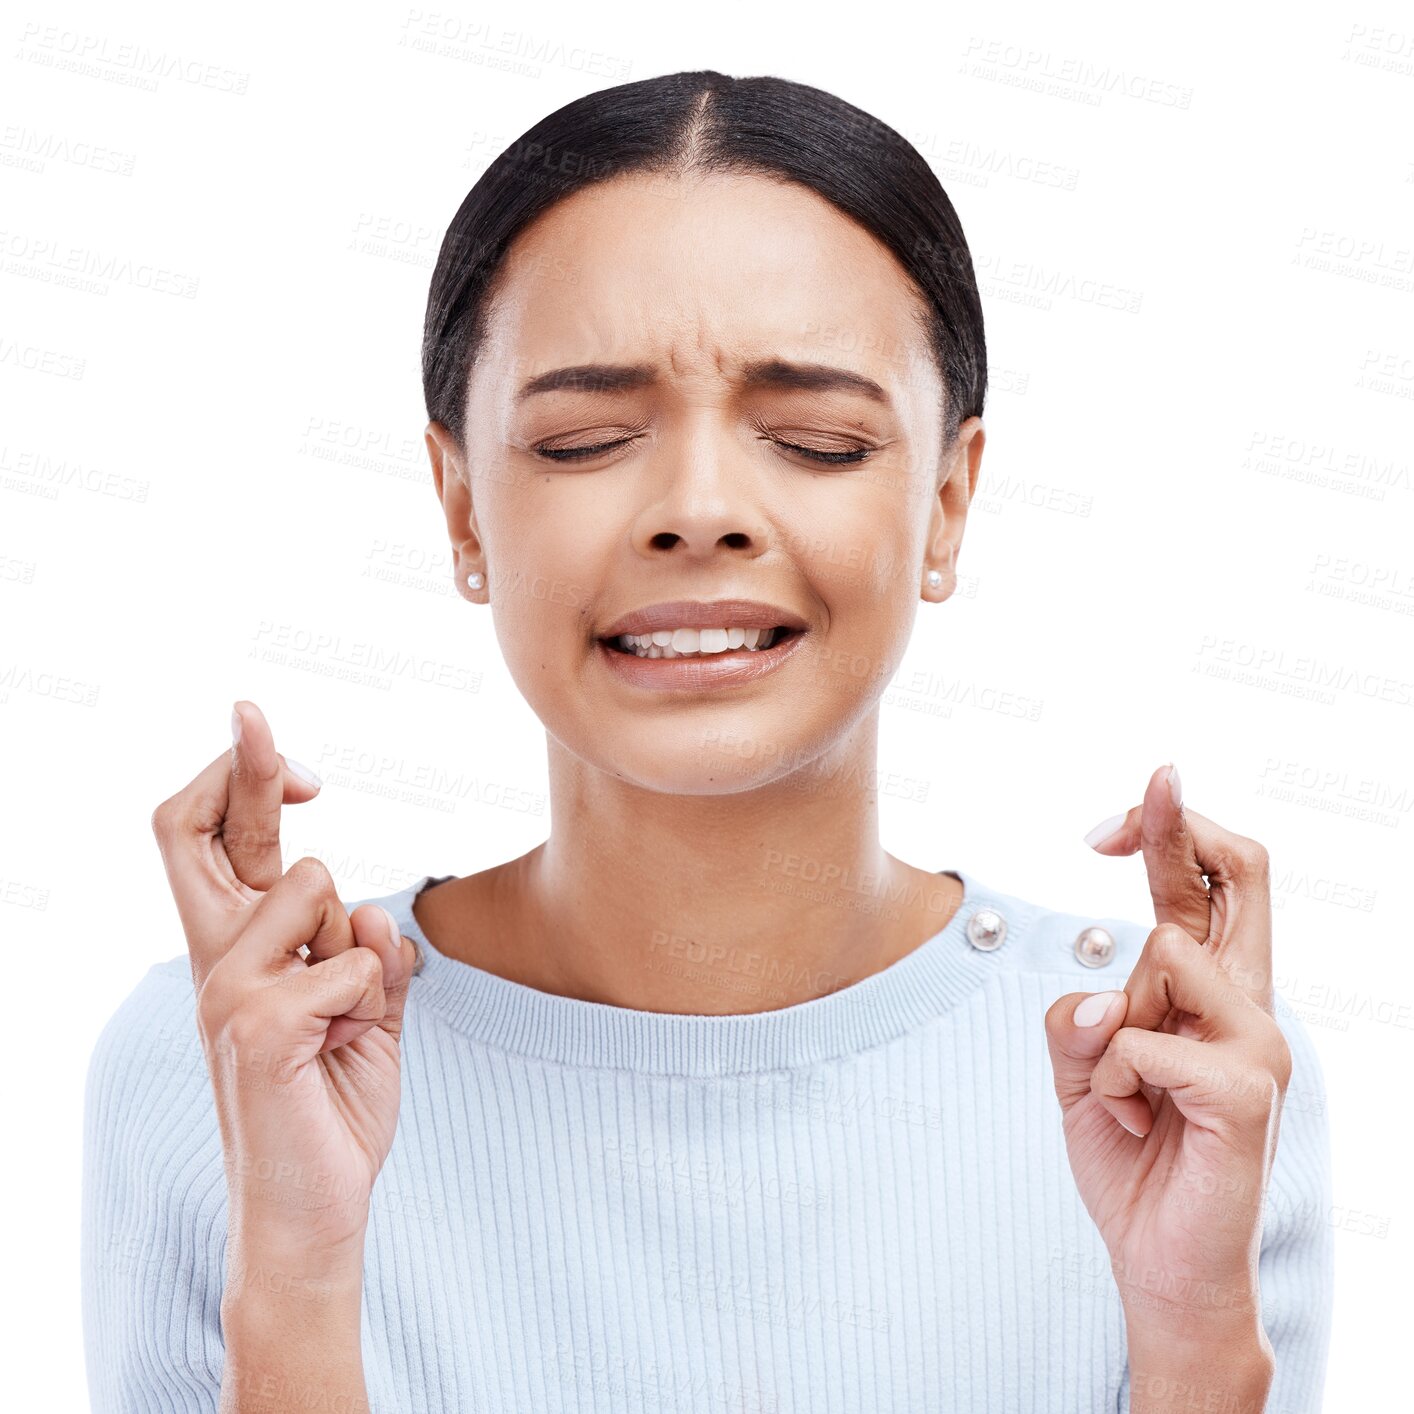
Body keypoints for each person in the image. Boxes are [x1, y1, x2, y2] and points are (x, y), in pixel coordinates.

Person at [82, 70, 1332, 1412]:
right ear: (459, 508)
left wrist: (1195, 1332)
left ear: (947, 505)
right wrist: (300, 1268)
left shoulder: (1177, 1074)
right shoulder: (232, 1051)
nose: (696, 508)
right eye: (584, 439)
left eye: (814, 438)